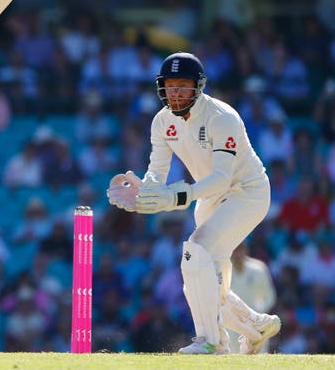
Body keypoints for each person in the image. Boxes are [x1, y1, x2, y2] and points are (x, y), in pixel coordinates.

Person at [107, 52, 280, 354]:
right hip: (209, 197)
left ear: (198, 86)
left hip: (246, 193)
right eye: (170, 86)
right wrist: (142, 193)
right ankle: (255, 326)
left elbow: (222, 179)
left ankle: (212, 343)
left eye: (183, 86)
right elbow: (156, 173)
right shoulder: (162, 122)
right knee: (200, 277)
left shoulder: (221, 118)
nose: (175, 93)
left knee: (196, 249)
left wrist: (174, 196)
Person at [229, 242, 277, 353]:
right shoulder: (223, 269)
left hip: (253, 320)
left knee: (258, 353)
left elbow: (269, 295)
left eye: (240, 248)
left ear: (245, 249)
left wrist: (260, 312)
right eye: (235, 249)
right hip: (231, 321)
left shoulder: (258, 269)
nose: (237, 253)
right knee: (231, 354)